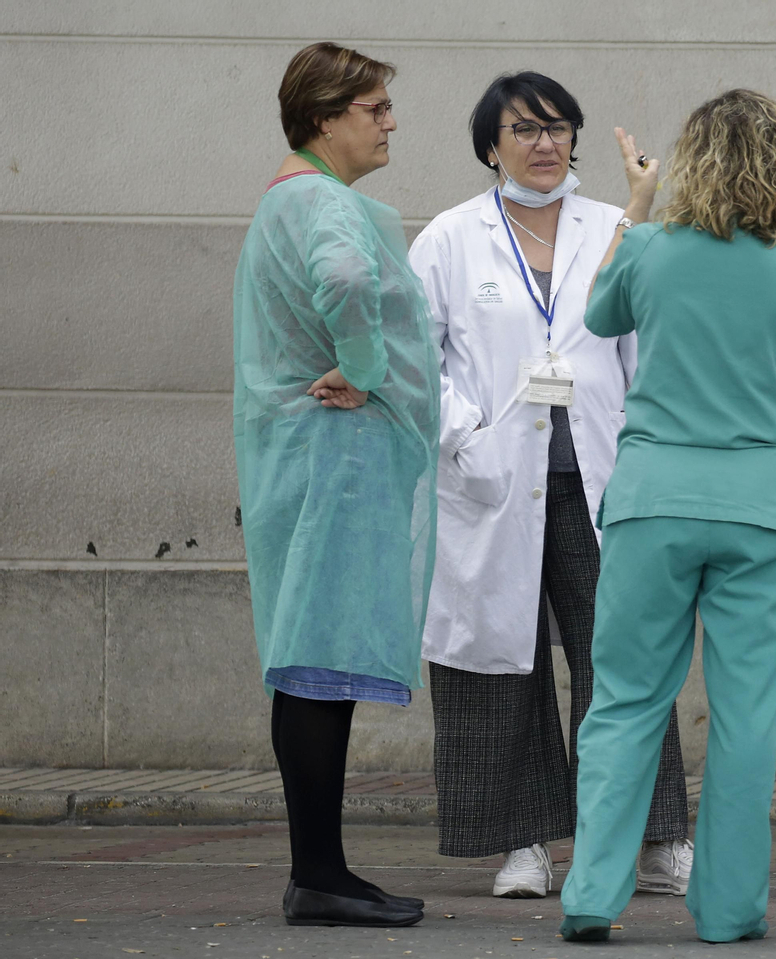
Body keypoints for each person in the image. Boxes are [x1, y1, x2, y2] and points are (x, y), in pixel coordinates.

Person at [556, 91, 776, 943]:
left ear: (692, 162)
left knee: (624, 699)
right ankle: (730, 909)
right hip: (764, 510)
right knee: (746, 716)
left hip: (653, 501)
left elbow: (596, 312)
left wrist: (635, 200)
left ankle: (592, 892)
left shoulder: (653, 249)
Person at [408, 72, 692, 900]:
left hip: (602, 480)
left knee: (626, 657)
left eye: (558, 127)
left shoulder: (620, 225)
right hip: (491, 483)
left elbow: (652, 351)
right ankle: (520, 842)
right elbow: (416, 360)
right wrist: (466, 436)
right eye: (524, 129)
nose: (544, 143)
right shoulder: (450, 239)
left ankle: (652, 836)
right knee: (499, 665)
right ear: (490, 144)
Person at [233, 41, 439, 928]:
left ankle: (324, 866)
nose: (390, 122)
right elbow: (347, 276)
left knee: (312, 664)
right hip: (335, 459)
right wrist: (363, 366)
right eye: (374, 108)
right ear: (325, 117)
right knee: (318, 667)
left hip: (299, 459)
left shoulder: (286, 198)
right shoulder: (325, 203)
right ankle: (317, 872)